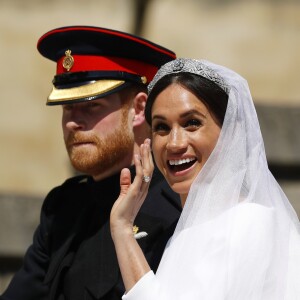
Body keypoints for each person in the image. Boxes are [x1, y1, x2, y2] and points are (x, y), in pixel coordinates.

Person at [0, 26, 181, 300]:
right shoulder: (62, 207)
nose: (73, 122)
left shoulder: (177, 206)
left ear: (140, 109)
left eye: (91, 106)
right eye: (67, 107)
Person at [110, 58, 300, 299]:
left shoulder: (252, 222)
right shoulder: (181, 234)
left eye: (192, 123)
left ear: (230, 131)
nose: (175, 143)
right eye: (162, 127)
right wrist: (122, 226)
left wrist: (124, 232)